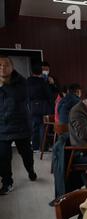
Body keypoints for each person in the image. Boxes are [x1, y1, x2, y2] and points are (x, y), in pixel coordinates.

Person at [0, 55, 37, 195]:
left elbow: (19, 96)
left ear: (11, 67)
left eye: (6, 65)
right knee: (3, 157)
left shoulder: (21, 81)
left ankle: (31, 170)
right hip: (2, 126)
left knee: (26, 153)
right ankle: (7, 183)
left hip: (20, 125)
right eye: (0, 65)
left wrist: (3, 86)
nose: (2, 68)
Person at [26, 63, 53, 151]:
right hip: (43, 106)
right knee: (43, 127)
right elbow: (49, 94)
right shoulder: (42, 81)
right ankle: (43, 147)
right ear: (41, 72)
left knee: (34, 127)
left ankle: (35, 147)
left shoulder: (27, 81)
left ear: (31, 72)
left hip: (32, 106)